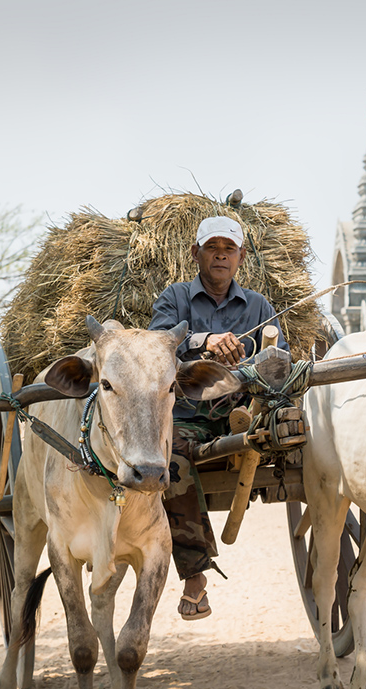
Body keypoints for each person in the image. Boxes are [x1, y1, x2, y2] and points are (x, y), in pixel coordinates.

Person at [150, 216, 287, 620]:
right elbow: (157, 348)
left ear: (241, 257)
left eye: (229, 249)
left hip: (244, 414)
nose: (221, 255)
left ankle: (248, 423)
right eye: (213, 248)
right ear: (196, 254)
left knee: (286, 422)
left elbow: (282, 362)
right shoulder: (175, 299)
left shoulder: (259, 306)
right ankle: (195, 577)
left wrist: (256, 362)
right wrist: (202, 342)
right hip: (186, 416)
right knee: (169, 460)